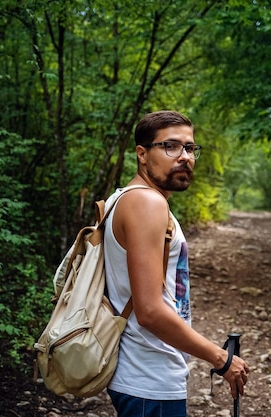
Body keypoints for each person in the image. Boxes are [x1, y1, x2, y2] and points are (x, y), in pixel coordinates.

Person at [103, 110, 250, 417]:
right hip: (148, 379)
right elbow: (150, 311)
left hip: (144, 376)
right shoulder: (147, 202)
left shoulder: (124, 198)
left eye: (190, 148)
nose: (185, 156)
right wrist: (220, 359)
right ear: (142, 154)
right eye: (171, 147)